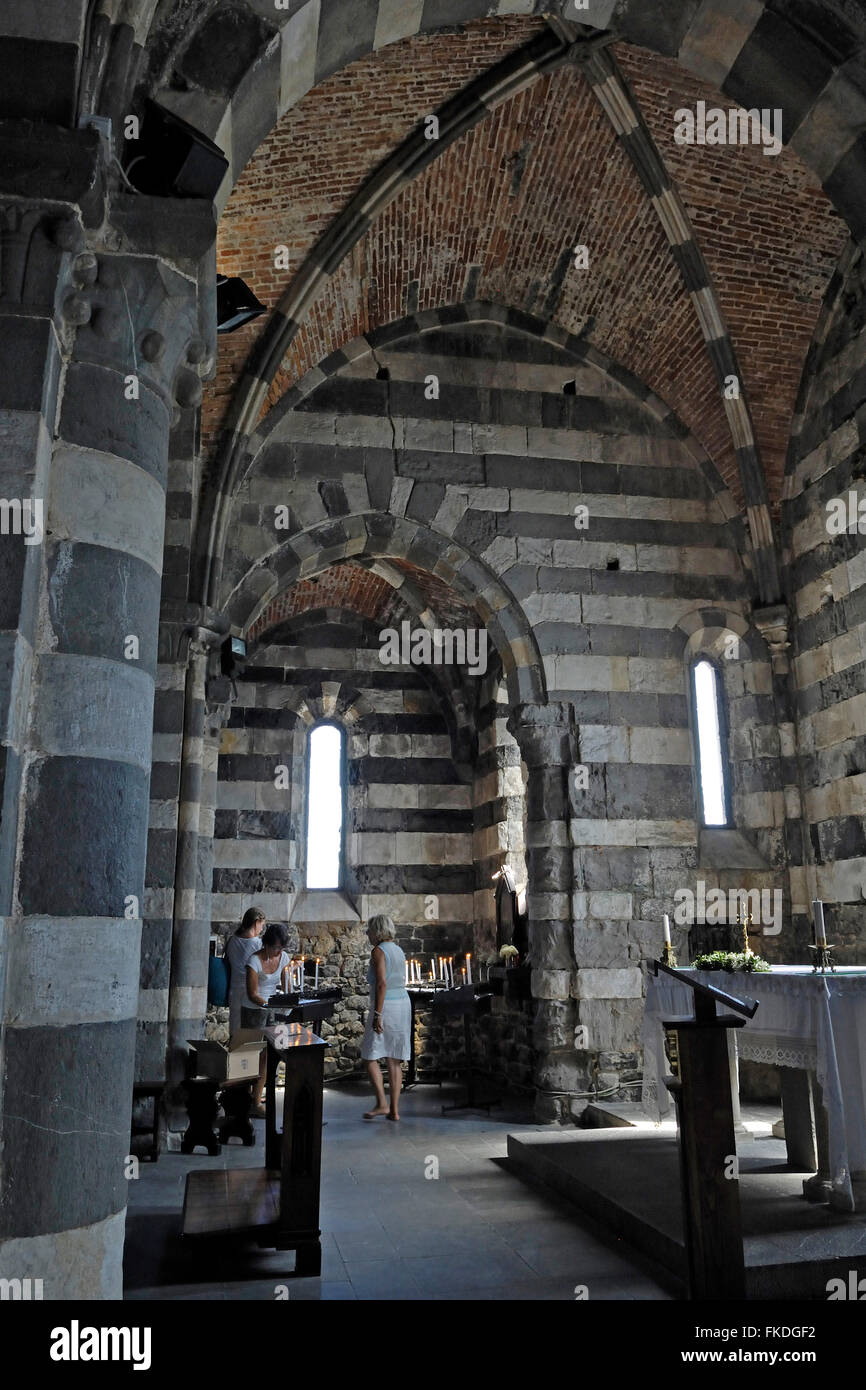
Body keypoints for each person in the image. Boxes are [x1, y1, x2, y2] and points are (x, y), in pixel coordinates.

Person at [360, 915, 410, 1121]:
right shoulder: (398, 950)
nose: (367, 934)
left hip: (386, 1005)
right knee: (394, 1059)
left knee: (369, 1055)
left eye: (369, 930)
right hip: (403, 1003)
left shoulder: (378, 951)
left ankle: (382, 1103)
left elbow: (381, 984)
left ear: (377, 931)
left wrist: (378, 1015)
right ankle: (395, 1110)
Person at [243, 922, 292, 1116]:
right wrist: (267, 1004)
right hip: (253, 1010)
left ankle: (257, 1101)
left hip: (273, 1010)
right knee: (249, 1055)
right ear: (266, 944)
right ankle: (244, 1100)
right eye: (274, 947)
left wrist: (288, 999)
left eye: (281, 948)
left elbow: (287, 986)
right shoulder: (253, 961)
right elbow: (252, 993)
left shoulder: (283, 957)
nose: (278, 951)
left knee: (268, 1057)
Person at [226, 907, 266, 1038]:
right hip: (251, 994)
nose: (261, 929)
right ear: (256, 922)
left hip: (234, 993)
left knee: (235, 1034)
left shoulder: (232, 940)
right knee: (250, 1038)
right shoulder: (257, 944)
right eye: (262, 925)